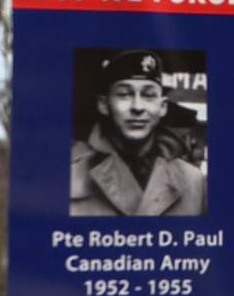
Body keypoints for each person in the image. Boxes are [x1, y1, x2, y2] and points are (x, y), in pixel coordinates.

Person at [70, 49, 206, 216]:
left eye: (148, 95)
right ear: (104, 105)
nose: (137, 107)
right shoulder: (71, 174)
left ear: (162, 107)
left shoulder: (193, 181)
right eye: (124, 94)